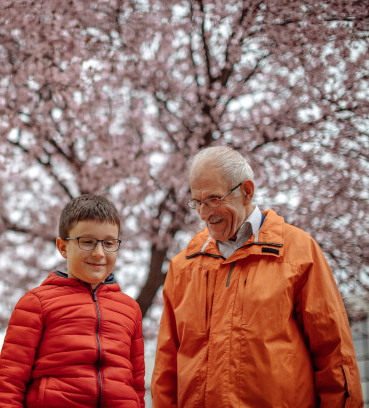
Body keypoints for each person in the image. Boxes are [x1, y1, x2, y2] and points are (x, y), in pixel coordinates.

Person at [151, 146, 363, 407]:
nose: (205, 213)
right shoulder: (183, 266)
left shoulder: (299, 252)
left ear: (247, 191)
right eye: (197, 202)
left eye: (214, 199)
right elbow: (166, 366)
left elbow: (334, 354)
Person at [0, 194, 145, 407]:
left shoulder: (130, 309)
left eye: (109, 243)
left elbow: (136, 386)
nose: (99, 253)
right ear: (63, 247)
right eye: (87, 242)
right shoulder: (36, 304)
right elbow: (9, 383)